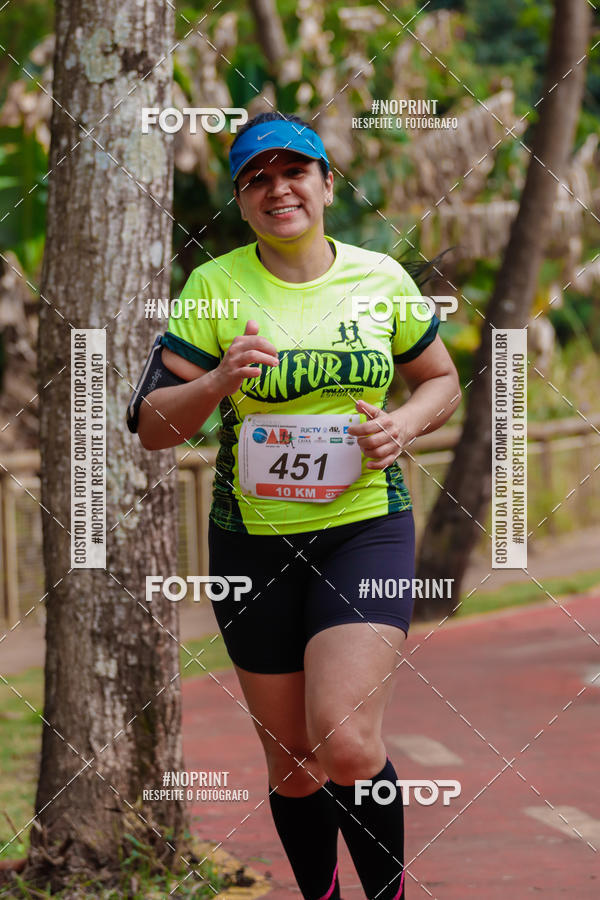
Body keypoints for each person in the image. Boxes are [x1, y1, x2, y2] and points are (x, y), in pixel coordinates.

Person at [132, 111, 461, 900]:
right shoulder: (214, 287)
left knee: (345, 741)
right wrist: (214, 384)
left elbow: (440, 381)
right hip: (252, 545)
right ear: (243, 200)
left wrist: (404, 426)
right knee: (293, 760)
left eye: (295, 173)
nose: (279, 189)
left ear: (326, 185)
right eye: (258, 178)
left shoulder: (381, 278)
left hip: (364, 531)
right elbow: (149, 427)